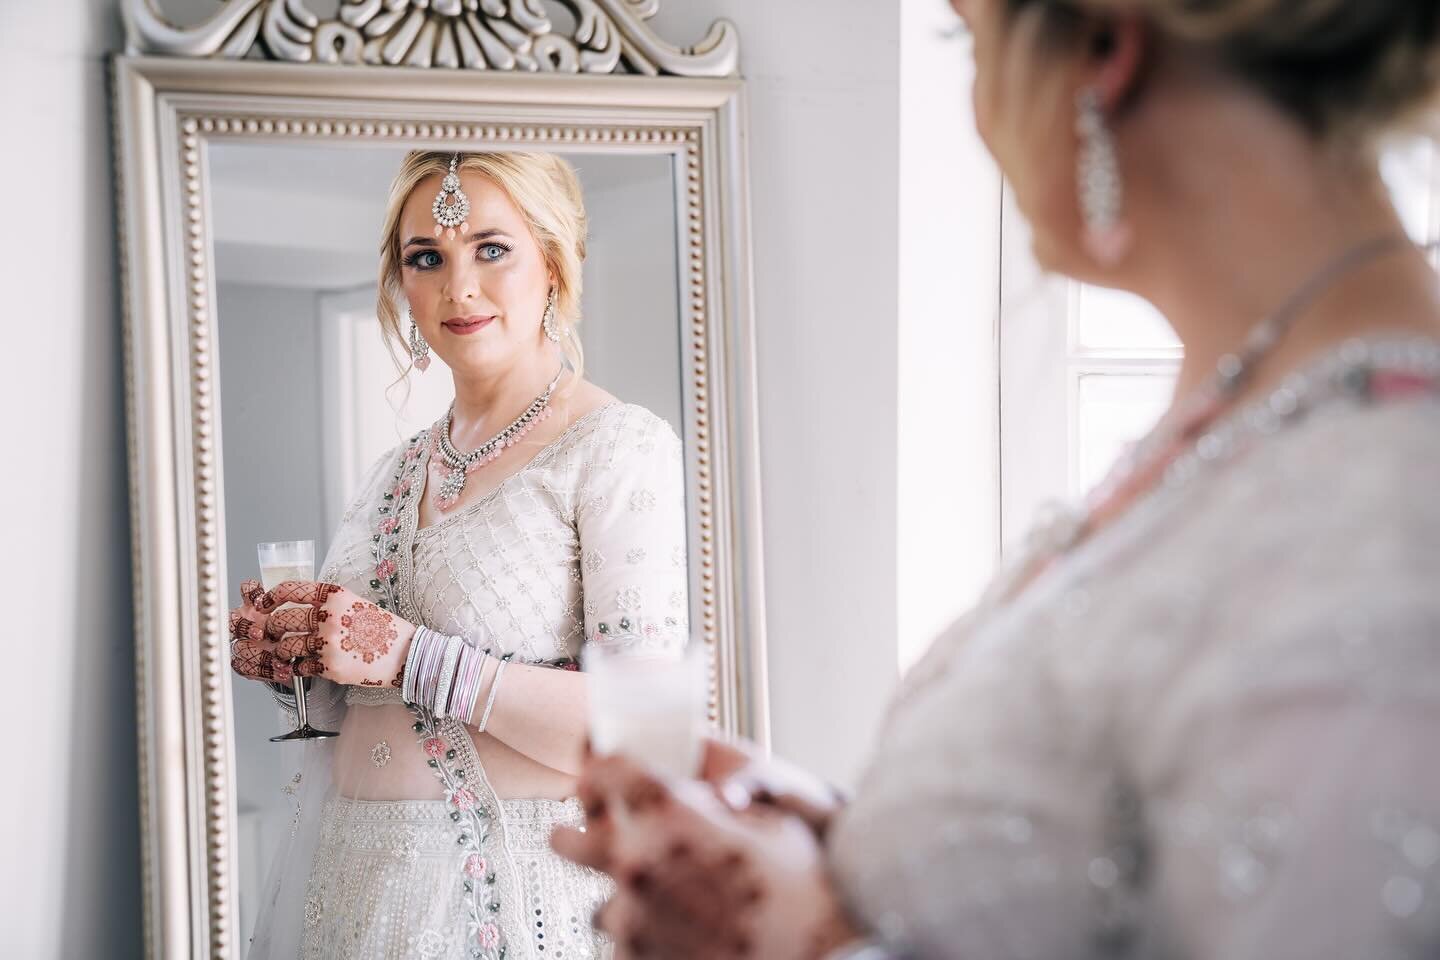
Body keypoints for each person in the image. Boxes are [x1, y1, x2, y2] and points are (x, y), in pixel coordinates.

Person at [552, 1, 1440, 957]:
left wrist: (799, 940)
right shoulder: (1243, 409)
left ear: (1105, 51)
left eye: (966, 40)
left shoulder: (1383, 517)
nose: (978, 112)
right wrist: (834, 840)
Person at [228, 151, 690, 960]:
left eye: (492, 249)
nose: (459, 287)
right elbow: (352, 715)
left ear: (551, 262)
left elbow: (644, 732)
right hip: (354, 897)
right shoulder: (391, 473)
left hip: (511, 905)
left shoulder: (614, 447)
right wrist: (295, 666)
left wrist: (410, 655)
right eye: (426, 258)